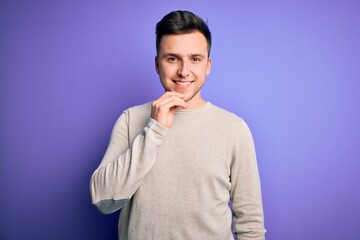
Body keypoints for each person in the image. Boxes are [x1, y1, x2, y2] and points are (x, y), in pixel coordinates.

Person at [90, 10, 266, 240]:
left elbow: (250, 223)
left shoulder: (234, 129)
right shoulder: (131, 120)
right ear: (157, 64)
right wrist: (154, 129)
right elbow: (103, 200)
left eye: (195, 59)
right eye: (172, 58)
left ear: (208, 65)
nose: (184, 71)